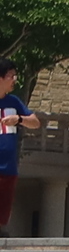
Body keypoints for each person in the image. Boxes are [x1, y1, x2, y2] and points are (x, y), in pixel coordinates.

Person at [0, 60, 26, 235]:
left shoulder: (14, 102)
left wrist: (19, 119)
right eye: (11, 75)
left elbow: (35, 122)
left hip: (8, 169)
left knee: (2, 216)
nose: (15, 79)